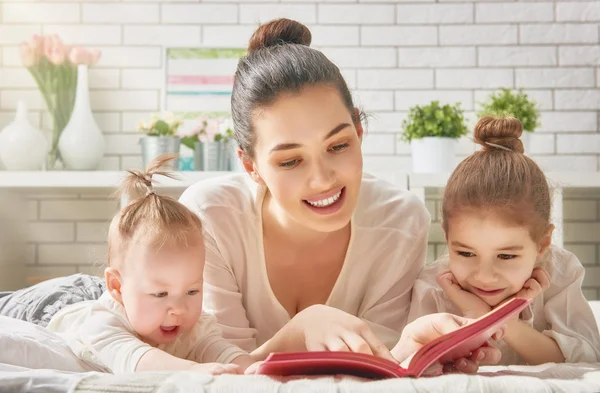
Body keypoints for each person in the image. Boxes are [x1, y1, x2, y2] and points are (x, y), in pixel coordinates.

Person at [179, 18, 502, 373]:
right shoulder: (209, 216)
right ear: (251, 166)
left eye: (339, 145)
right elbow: (224, 369)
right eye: (290, 161)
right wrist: (301, 330)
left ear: (359, 131)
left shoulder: (400, 219)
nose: (322, 180)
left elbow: (377, 360)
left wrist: (412, 343)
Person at [408, 115, 600, 365]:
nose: (485, 276)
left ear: (542, 244)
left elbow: (587, 359)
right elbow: (413, 362)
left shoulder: (560, 273)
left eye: (506, 256)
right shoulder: (432, 288)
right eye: (466, 253)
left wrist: (497, 320)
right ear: (447, 236)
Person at [46, 155, 255, 374]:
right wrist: (194, 370)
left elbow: (217, 349)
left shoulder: (194, 325)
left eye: (192, 291)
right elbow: (139, 361)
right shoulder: (101, 325)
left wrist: (251, 368)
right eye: (160, 294)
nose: (179, 309)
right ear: (117, 287)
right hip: (55, 303)